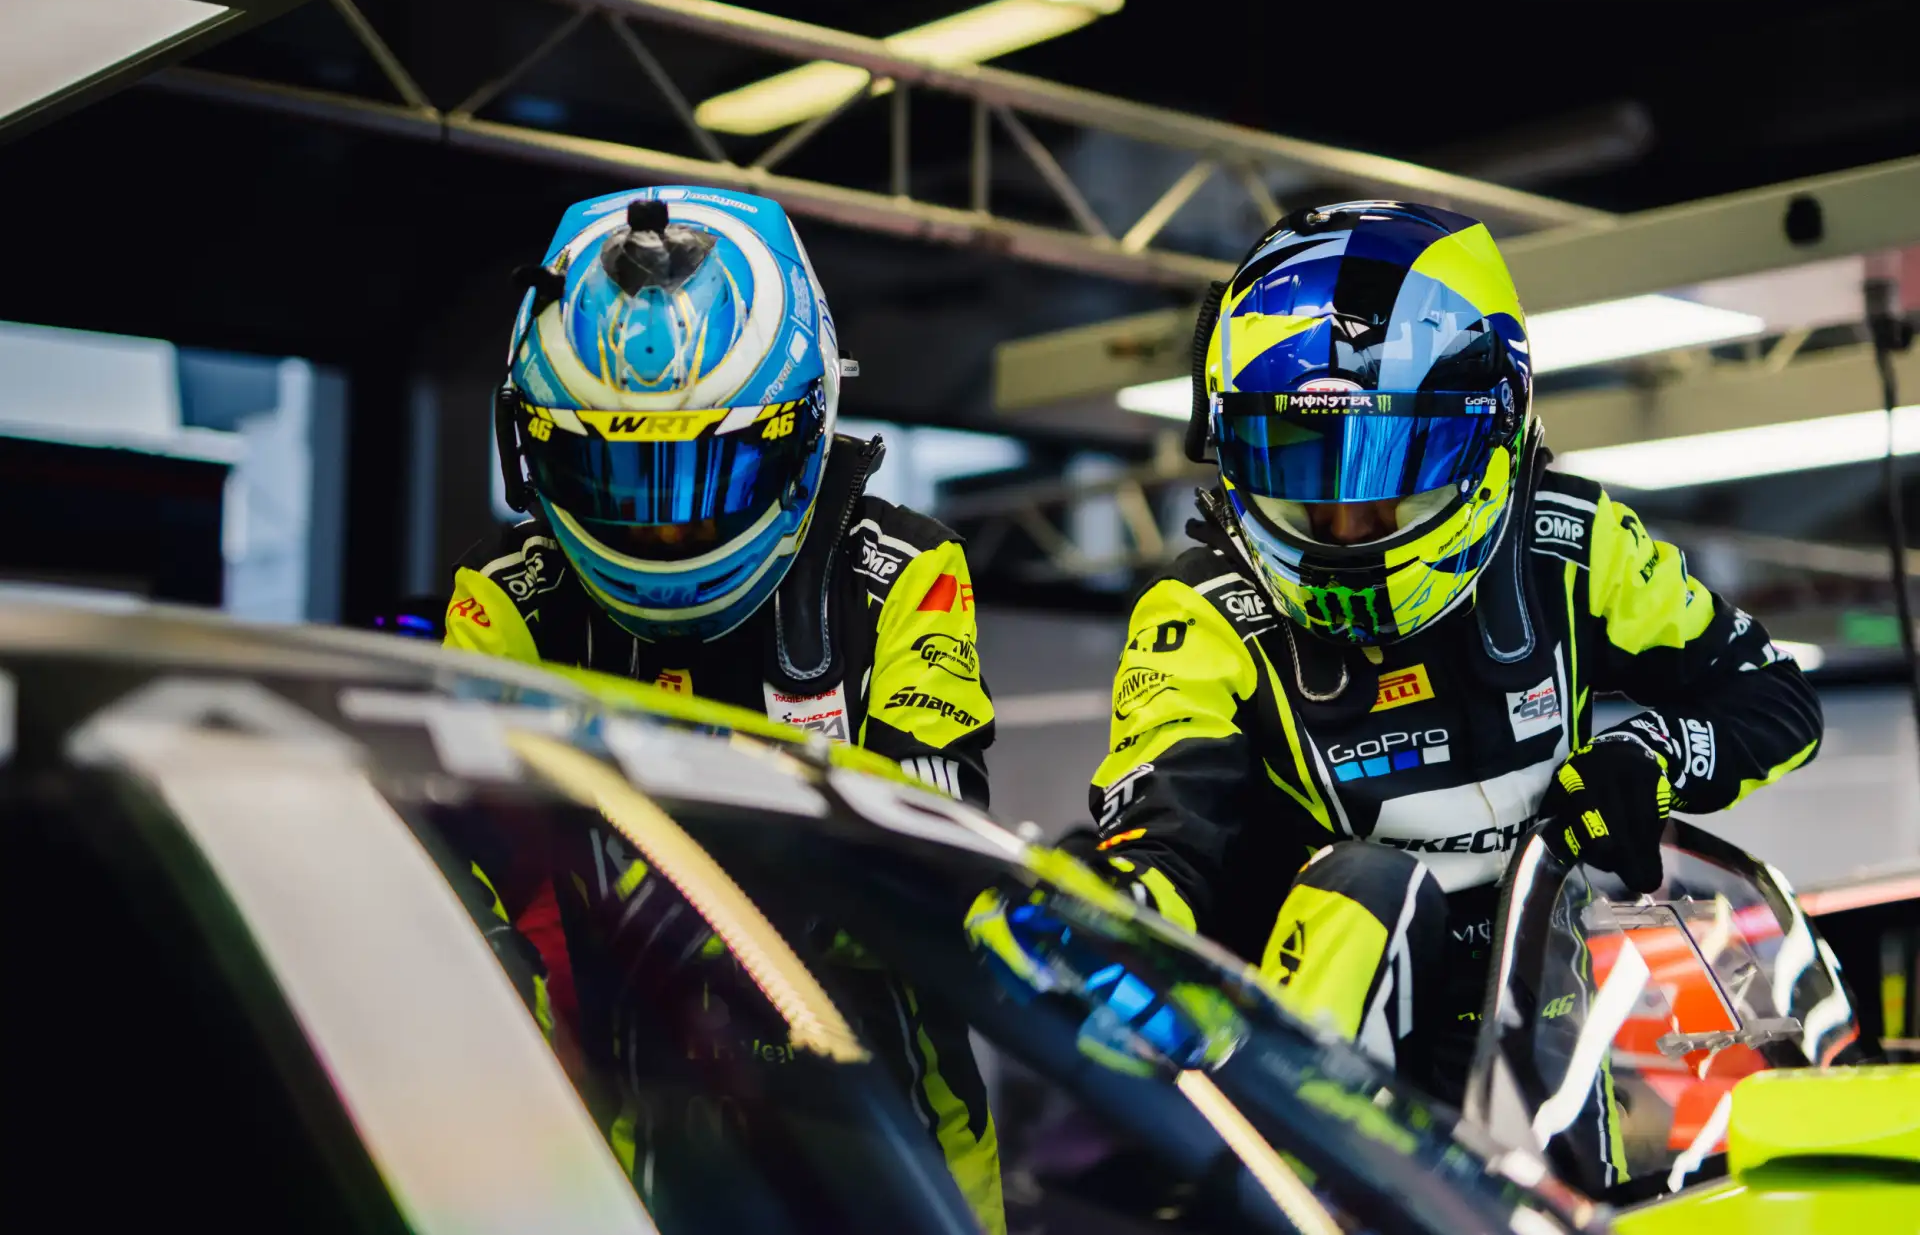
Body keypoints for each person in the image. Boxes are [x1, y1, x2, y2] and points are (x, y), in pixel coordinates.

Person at [1084, 200, 1823, 1113]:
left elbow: (1776, 698)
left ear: (1493, 437)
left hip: (1552, 1049)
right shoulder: (1199, 615)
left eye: (1389, 465)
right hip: (1314, 1072)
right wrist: (1100, 903)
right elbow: (1164, 850)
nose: (1346, 521)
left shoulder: (1576, 548)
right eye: (1301, 466)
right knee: (1367, 886)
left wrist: (1652, 753)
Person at [443, 186, 1002, 1231]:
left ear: (802, 431)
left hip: (892, 1156)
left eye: (707, 470)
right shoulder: (509, 604)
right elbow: (441, 863)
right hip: (611, 1157)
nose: (664, 529)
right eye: (620, 474)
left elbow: (933, 866)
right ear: (535, 449)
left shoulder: (900, 573)